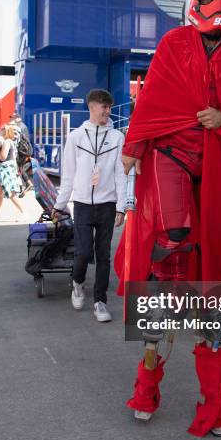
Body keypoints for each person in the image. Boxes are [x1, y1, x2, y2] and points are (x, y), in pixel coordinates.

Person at [115, 0, 221, 437]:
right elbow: (154, 98)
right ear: (196, 2)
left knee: (212, 263)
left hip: (214, 160)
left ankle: (212, 404)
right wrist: (135, 146)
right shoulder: (175, 43)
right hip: (171, 153)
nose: (218, 8)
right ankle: (147, 382)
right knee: (171, 245)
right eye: (210, 0)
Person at [53, 89, 126, 322]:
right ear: (92, 107)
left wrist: (121, 206)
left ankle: (100, 302)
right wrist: (59, 204)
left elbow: (121, 174)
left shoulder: (116, 137)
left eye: (109, 108)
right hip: (83, 204)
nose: (107, 111)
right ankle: (77, 282)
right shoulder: (76, 136)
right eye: (104, 107)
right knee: (83, 252)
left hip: (107, 204)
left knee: (103, 255)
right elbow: (68, 174)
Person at [0, 124, 23, 221]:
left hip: (5, 170)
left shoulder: (6, 142)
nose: (0, 130)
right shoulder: (9, 142)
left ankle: (23, 213)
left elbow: (3, 157)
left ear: (6, 131)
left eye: (2, 129)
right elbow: (14, 158)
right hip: (6, 169)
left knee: (11, 194)